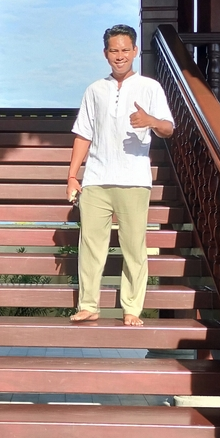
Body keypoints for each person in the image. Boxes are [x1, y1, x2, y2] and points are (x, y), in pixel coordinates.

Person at [66, 24, 175, 327]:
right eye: (114, 50)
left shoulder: (150, 87)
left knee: (133, 247)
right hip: (97, 179)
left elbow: (168, 128)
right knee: (90, 246)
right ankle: (89, 305)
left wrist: (150, 120)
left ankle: (132, 309)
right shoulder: (94, 90)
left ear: (135, 51)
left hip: (134, 180)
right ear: (105, 53)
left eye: (125, 49)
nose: (120, 55)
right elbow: (83, 134)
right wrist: (72, 176)